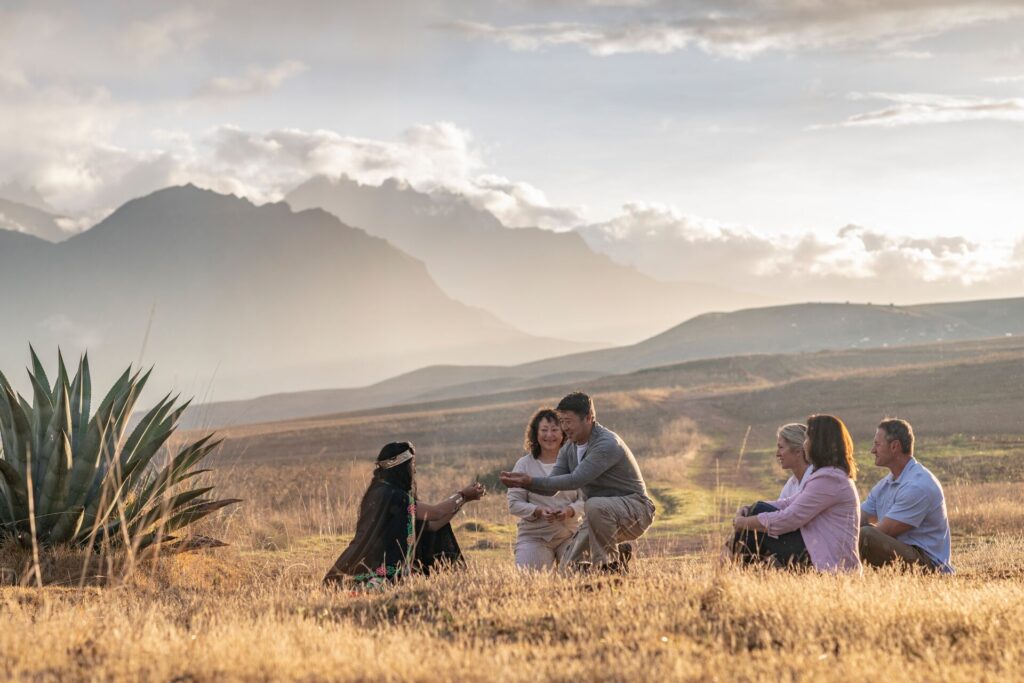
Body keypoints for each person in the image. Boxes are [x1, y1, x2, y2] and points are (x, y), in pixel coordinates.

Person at [500, 392, 655, 573]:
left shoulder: (606, 444)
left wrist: (530, 481)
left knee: (595, 504)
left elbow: (575, 480)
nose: (564, 427)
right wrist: (524, 483)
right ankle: (618, 557)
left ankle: (608, 567)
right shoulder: (569, 448)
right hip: (599, 516)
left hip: (635, 510)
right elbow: (552, 486)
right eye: (562, 421)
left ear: (588, 418)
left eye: (568, 421)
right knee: (569, 569)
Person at [323, 441, 485, 588]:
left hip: (367, 567)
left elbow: (432, 525)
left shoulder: (381, 491)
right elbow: (436, 513)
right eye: (412, 464)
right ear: (401, 468)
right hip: (376, 572)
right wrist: (462, 495)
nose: (414, 469)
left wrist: (463, 500)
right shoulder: (393, 497)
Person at [732, 414, 862, 573]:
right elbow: (789, 503)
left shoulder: (829, 479)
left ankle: (738, 573)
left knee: (756, 519)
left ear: (819, 444)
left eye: (807, 439)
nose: (804, 444)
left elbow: (790, 518)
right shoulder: (827, 476)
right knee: (758, 510)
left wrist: (743, 523)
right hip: (819, 555)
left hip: (829, 566)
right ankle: (743, 573)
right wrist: (748, 510)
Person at [860, 418, 953, 573]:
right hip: (907, 555)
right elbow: (857, 518)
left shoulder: (918, 485)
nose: (872, 451)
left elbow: (884, 532)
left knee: (866, 536)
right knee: (860, 531)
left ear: (894, 446)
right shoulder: (885, 484)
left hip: (929, 566)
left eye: (877, 444)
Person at [508, 408, 584, 569]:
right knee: (529, 582)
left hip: (570, 534)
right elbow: (514, 503)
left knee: (582, 575)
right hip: (534, 536)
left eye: (555, 430)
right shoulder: (524, 464)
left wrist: (569, 511)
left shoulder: (576, 461)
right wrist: (538, 511)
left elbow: (587, 498)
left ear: (564, 433)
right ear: (535, 434)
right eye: (544, 430)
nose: (549, 435)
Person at [776, 423, 814, 500]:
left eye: (781, 447)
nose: (777, 454)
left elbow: (794, 511)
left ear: (798, 451)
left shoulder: (815, 480)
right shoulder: (792, 483)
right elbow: (779, 507)